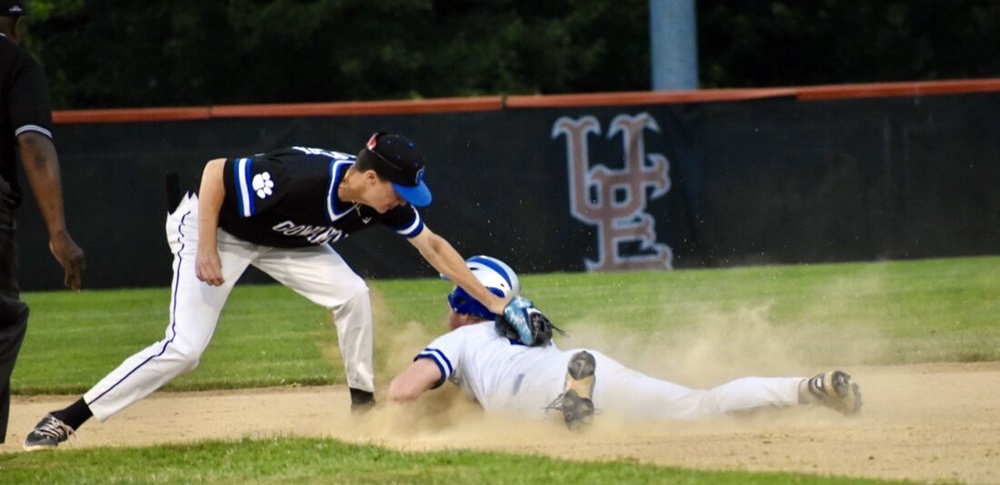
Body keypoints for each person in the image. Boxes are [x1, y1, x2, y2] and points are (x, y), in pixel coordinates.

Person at [23, 132, 512, 450]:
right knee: (185, 349)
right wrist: (206, 248)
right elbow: (215, 171)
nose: (402, 202)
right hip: (215, 229)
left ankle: (363, 409)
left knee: (352, 295)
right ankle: (67, 418)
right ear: (369, 177)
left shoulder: (380, 203)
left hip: (286, 240)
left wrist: (494, 303)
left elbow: (433, 246)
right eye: (399, 191)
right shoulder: (298, 178)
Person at [388, 255, 862, 429]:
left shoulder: (460, 341)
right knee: (701, 405)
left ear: (461, 303)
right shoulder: (525, 324)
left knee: (534, 418)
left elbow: (402, 391)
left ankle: (567, 410)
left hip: (532, 389)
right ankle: (808, 388)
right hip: (585, 363)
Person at [1, 0, 86, 445]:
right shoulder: (16, 63)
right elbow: (33, 144)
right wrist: (58, 233)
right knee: (2, 318)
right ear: (15, 23)